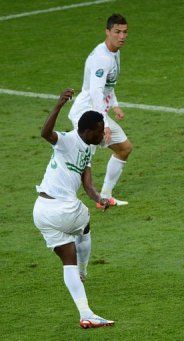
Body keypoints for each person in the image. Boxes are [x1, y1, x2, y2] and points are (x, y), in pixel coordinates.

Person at [33, 88, 115, 328]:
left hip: (41, 211)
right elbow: (45, 133)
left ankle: (86, 313)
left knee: (68, 259)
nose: (103, 135)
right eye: (100, 131)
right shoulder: (67, 140)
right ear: (88, 131)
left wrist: (98, 197)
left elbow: (87, 184)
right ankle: (84, 270)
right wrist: (59, 105)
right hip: (61, 208)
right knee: (85, 219)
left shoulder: (88, 148)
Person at [68, 13, 131, 208]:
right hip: (86, 113)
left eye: (125, 32)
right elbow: (95, 92)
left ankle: (104, 195)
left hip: (94, 111)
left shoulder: (114, 53)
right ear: (107, 32)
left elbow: (107, 86)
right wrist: (102, 124)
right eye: (117, 32)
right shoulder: (102, 59)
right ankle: (65, 196)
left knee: (123, 148)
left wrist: (115, 105)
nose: (121, 36)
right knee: (80, 158)